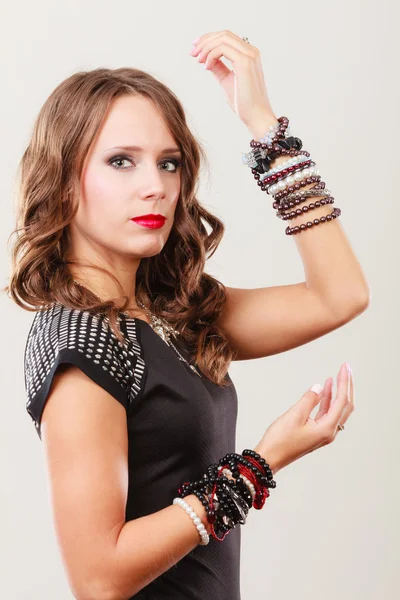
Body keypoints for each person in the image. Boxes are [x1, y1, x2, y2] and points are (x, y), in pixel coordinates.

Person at [6, 31, 366, 600]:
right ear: (63, 177)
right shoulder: (78, 340)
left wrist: (266, 129)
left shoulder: (173, 311)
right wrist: (260, 465)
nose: (155, 187)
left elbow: (339, 294)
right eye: (121, 161)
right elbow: (98, 579)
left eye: (168, 163)